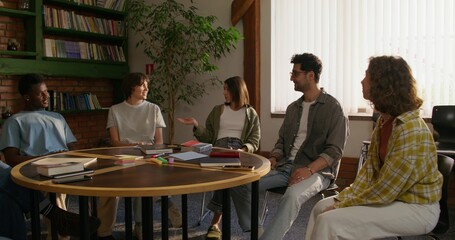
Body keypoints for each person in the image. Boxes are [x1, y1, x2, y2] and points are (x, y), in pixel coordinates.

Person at [305, 56, 443, 240]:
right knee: (320, 208)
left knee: (330, 221)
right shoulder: (385, 121)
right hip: (394, 198)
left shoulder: (410, 129)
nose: (362, 81)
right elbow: (368, 174)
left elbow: (387, 189)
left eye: (367, 76)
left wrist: (344, 203)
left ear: (382, 83)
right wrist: (344, 199)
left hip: (417, 208)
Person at [228, 53, 348, 240]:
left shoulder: (334, 108)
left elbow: (335, 150)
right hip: (286, 167)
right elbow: (282, 141)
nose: (291, 77)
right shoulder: (293, 108)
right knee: (239, 184)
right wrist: (275, 157)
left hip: (317, 172)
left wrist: (308, 169)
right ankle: (256, 232)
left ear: (310, 75)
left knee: (292, 195)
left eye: (295, 73)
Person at [0, 74, 100, 239]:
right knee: (52, 186)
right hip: (35, 169)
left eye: (46, 92)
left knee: (93, 176)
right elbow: (11, 159)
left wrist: (66, 156)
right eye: (40, 93)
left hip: (66, 165)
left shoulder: (58, 117)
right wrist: (44, 159)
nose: (46, 96)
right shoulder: (15, 121)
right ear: (26, 97)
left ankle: (62, 221)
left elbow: (73, 147)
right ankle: (60, 225)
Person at [98, 72, 182, 240]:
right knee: (109, 187)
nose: (146, 88)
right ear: (131, 87)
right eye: (143, 85)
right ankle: (104, 231)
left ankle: (141, 224)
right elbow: (115, 142)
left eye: (146, 85)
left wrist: (147, 150)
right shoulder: (115, 110)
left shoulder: (154, 109)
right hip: (123, 156)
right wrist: (136, 146)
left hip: (148, 156)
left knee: (144, 179)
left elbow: (159, 142)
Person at [177, 76, 261, 239]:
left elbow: (254, 140)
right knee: (230, 176)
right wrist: (196, 124)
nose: (224, 93)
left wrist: (242, 150)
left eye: (227, 89)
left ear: (237, 90)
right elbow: (208, 136)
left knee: (227, 177)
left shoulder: (251, 113)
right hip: (218, 148)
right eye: (224, 89)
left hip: (239, 150)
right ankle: (249, 226)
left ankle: (215, 224)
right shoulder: (217, 110)